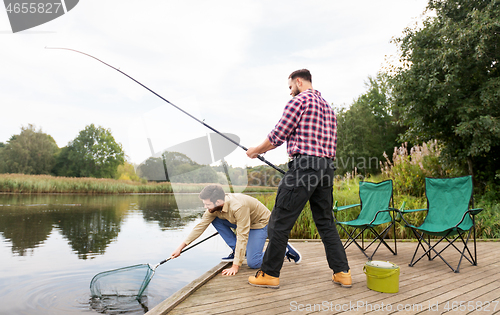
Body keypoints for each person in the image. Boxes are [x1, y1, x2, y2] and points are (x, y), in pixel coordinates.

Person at [246, 69, 351, 289]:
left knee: (279, 220)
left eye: (290, 86)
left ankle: (269, 274)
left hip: (304, 165)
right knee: (326, 222)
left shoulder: (300, 101)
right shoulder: (329, 109)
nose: (290, 91)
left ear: (299, 81)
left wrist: (256, 151)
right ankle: (342, 272)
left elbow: (278, 135)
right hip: (326, 167)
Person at [171, 184, 302, 276]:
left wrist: (235, 265)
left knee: (253, 262)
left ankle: (281, 251)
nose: (205, 207)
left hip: (260, 224)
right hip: (239, 221)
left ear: (218, 201)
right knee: (214, 219)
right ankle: (237, 251)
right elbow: (199, 227)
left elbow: (242, 235)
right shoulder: (213, 208)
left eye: (207, 204)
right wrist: (180, 248)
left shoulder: (238, 206)